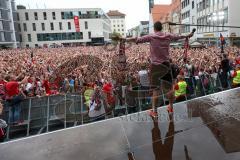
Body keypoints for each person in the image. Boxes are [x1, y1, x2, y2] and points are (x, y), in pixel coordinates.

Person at [125, 21, 194, 116]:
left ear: (154, 28)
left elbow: (137, 39)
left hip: (156, 67)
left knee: (155, 90)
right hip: (166, 65)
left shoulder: (151, 36)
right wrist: (188, 35)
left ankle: (154, 111)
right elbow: (179, 36)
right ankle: (170, 107)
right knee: (169, 88)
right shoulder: (168, 35)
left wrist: (124, 39)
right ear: (161, 28)